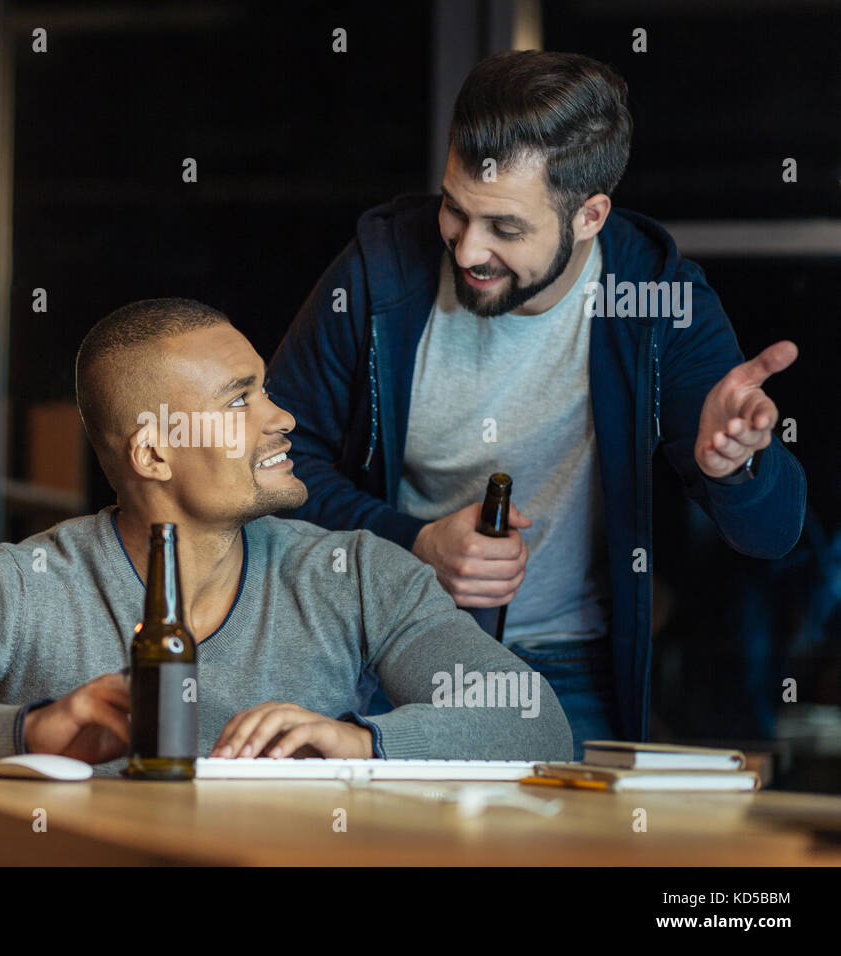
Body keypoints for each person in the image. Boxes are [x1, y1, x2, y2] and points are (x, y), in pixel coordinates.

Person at [0, 298, 571, 786]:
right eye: (241, 401)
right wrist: (28, 730)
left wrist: (360, 742)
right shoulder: (13, 586)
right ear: (154, 452)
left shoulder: (353, 571)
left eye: (265, 389)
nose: (283, 418)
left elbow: (534, 720)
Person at [267, 50, 806, 758]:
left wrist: (736, 467)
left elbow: (773, 534)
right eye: (454, 211)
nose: (467, 251)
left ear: (589, 215)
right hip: (384, 658)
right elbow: (271, 467)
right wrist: (413, 544)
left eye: (506, 228)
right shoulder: (380, 269)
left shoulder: (658, 301)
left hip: (568, 670)